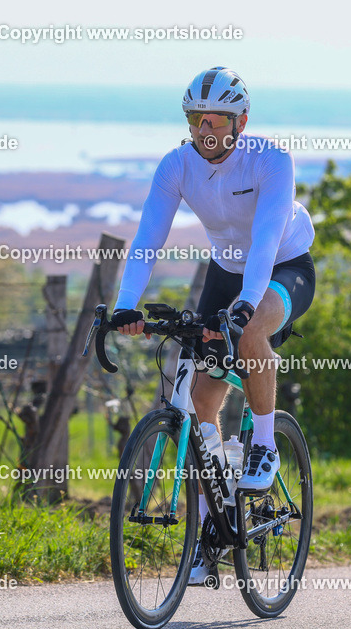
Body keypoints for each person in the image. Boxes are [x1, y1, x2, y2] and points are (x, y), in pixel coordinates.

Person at [111, 67, 316, 584]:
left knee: (250, 336)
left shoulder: (270, 160)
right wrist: (126, 305)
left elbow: (267, 237)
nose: (205, 129)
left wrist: (249, 302)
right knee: (201, 399)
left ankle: (266, 445)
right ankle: (212, 534)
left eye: (216, 119)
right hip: (226, 272)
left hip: (282, 267)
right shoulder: (176, 165)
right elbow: (146, 239)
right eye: (196, 119)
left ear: (240, 121)